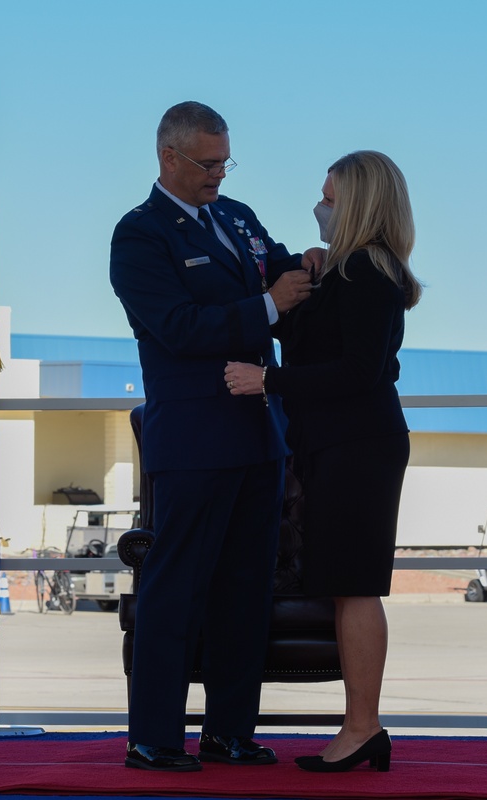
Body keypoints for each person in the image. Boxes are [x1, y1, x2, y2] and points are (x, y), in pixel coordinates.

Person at [110, 101, 319, 772]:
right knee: (175, 590)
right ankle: (154, 738)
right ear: (168, 157)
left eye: (225, 161)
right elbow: (176, 327)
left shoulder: (238, 219)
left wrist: (315, 267)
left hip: (261, 435)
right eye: (206, 163)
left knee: (244, 588)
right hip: (195, 438)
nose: (218, 175)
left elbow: (287, 277)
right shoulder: (140, 236)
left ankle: (229, 730)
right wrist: (266, 305)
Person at [224, 150, 423, 773]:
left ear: (359, 204)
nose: (320, 205)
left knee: (356, 587)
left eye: (330, 197)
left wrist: (269, 382)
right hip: (340, 443)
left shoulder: (367, 269)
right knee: (345, 586)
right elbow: (313, 336)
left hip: (358, 445)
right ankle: (362, 727)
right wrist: (307, 271)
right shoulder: (349, 268)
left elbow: (359, 371)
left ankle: (363, 727)